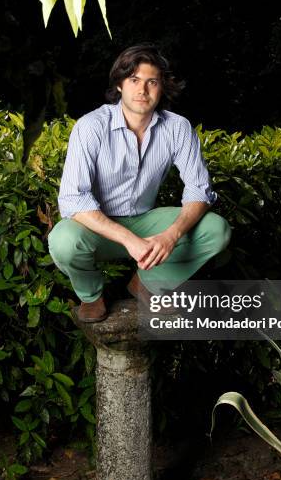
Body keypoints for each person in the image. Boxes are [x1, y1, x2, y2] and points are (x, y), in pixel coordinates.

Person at [48, 44, 231, 322]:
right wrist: (129, 240)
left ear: (162, 87)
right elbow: (74, 200)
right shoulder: (91, 127)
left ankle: (146, 284)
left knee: (216, 230)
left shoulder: (177, 127)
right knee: (63, 240)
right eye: (134, 80)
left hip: (146, 221)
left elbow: (199, 189)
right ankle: (91, 296)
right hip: (96, 227)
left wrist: (171, 235)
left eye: (151, 82)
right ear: (120, 84)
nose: (142, 90)